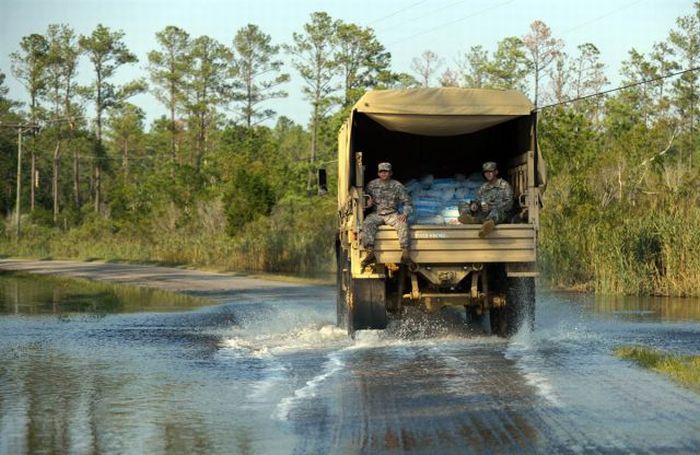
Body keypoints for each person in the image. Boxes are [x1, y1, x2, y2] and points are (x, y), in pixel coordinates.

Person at [361, 162, 414, 269]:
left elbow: (408, 202)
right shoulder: (371, 185)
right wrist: (367, 203)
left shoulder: (397, 186)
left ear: (391, 173)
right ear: (378, 173)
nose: (383, 173)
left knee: (402, 224)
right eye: (381, 171)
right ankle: (370, 252)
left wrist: (404, 214)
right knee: (367, 223)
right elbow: (364, 198)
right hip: (377, 213)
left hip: (392, 214)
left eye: (386, 171)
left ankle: (405, 254)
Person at [458, 161, 513, 238]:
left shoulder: (504, 185)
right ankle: (472, 219)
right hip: (484, 213)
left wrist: (491, 207)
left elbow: (509, 204)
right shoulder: (484, 187)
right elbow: (478, 200)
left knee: (496, 211)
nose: (488, 174)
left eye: (490, 171)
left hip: (498, 214)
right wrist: (474, 205)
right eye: (486, 172)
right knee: (462, 203)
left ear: (496, 172)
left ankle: (486, 227)